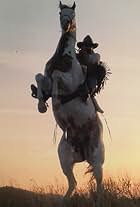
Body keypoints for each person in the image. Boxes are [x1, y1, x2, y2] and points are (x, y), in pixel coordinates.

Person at [76, 35, 109, 113]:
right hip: (79, 76)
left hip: (91, 77)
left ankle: (93, 100)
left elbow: (91, 61)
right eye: (85, 46)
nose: (87, 47)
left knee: (90, 86)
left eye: (89, 46)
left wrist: (84, 54)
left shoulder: (96, 56)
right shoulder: (77, 55)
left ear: (92, 47)